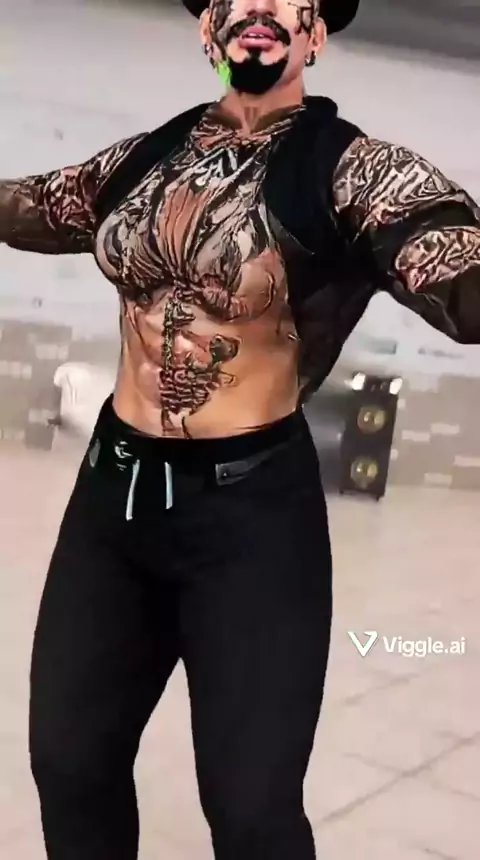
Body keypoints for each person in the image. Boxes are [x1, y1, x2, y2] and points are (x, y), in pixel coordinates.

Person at [1, 0, 479, 857]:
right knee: (70, 766)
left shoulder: (353, 169)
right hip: (114, 497)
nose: (259, 4)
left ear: (315, 34)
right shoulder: (145, 159)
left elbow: (451, 261)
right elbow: (35, 204)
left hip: (251, 518)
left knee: (253, 812)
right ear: (208, 29)